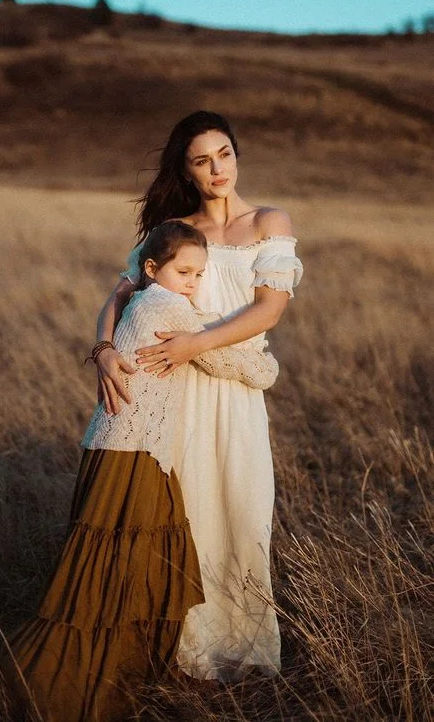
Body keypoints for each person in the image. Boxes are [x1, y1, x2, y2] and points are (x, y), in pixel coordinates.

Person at [0, 220, 281, 722]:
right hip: (134, 454)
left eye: (199, 273)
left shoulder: (147, 301)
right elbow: (247, 366)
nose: (193, 282)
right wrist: (263, 363)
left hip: (118, 448)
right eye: (184, 271)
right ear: (152, 269)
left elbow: (193, 323)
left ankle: (119, 670)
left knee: (120, 563)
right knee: (118, 566)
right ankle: (57, 685)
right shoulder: (166, 307)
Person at [96, 111, 303, 682]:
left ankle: (243, 655)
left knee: (244, 510)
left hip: (233, 391)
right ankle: (178, 651)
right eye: (202, 160)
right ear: (186, 171)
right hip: (173, 392)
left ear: (237, 155)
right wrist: (104, 349)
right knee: (184, 517)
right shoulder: (176, 231)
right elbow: (118, 293)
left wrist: (196, 342)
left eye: (225, 154)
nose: (217, 169)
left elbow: (269, 309)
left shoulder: (269, 221)